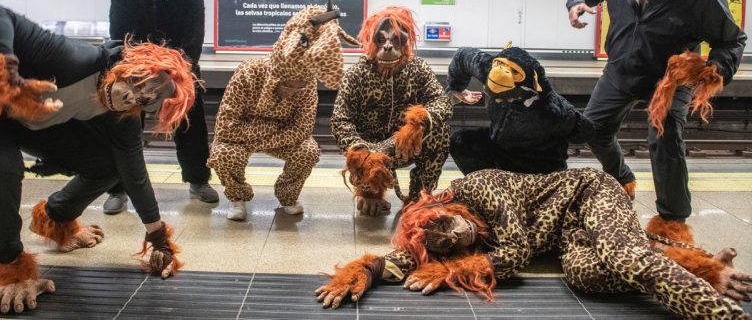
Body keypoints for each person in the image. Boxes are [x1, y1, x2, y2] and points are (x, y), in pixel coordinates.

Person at [0, 5, 193, 314]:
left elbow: (133, 172)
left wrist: (159, 240)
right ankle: (8, 266)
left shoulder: (123, 117)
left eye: (145, 99)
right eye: (134, 81)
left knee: (109, 166)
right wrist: (2, 68)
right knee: (3, 167)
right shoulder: (71, 58)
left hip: (33, 129)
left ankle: (57, 219)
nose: (131, 97)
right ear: (126, 65)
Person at [316, 168, 752, 319]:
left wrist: (452, 269)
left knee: (625, 255)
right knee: (586, 275)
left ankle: (722, 314)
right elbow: (404, 258)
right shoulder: (446, 234)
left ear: (447, 206)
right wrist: (365, 272)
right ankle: (699, 270)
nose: (454, 235)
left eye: (446, 224)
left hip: (587, 194)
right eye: (445, 244)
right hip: (568, 234)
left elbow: (518, 253)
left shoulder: (480, 187)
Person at [566, 0, 746, 240]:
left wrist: (715, 69)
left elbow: (731, 40)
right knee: (591, 128)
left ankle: (672, 220)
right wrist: (578, 2)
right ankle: (621, 177)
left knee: (664, 139)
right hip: (621, 71)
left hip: (669, 79)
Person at [207, 0, 360, 221]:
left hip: (258, 135)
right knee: (223, 153)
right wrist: (271, 132)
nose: (293, 90)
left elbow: (302, 130)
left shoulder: (307, 86)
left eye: (299, 86)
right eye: (288, 84)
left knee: (308, 150)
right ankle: (237, 196)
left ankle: (288, 195)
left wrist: (259, 136)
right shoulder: (249, 72)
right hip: (250, 137)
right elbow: (225, 128)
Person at [104, 0, 218, 214]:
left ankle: (197, 179)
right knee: (123, 127)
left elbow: (193, 38)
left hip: (179, 68)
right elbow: (119, 36)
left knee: (190, 124)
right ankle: (117, 186)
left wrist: (175, 70)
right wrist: (139, 69)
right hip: (135, 70)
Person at [332, 6, 452, 217]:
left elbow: (441, 101)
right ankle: (370, 193)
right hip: (371, 150)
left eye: (395, 40)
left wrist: (415, 125)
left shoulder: (418, 68)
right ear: (372, 42)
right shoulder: (357, 73)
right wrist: (362, 151)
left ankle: (419, 197)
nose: (388, 47)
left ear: (405, 42)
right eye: (381, 40)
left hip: (405, 147)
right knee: (359, 156)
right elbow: (341, 119)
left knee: (440, 133)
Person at [446, 43, 594, 174]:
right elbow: (462, 56)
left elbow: (585, 131)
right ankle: (487, 185)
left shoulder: (551, 107)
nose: (497, 100)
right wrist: (457, 89)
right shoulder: (491, 68)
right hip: (500, 148)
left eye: (502, 96)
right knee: (460, 143)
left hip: (538, 164)